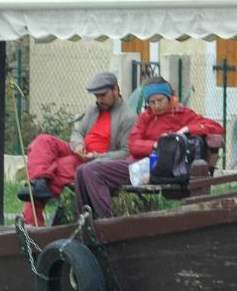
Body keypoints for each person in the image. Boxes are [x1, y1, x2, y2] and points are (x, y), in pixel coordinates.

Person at [74, 77, 223, 219]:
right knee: (83, 171)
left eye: (160, 100)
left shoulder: (183, 114)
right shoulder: (146, 117)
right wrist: (157, 144)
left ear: (170, 98)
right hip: (137, 165)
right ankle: (86, 221)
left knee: (91, 170)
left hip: (161, 168)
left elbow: (216, 127)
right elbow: (133, 144)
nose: (156, 105)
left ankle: (107, 221)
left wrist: (187, 129)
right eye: (152, 102)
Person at [19, 71, 137, 225]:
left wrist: (94, 157)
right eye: (96, 96)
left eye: (103, 95)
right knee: (42, 141)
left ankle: (32, 223)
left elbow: (125, 153)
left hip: (95, 162)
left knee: (56, 170)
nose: (99, 99)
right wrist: (78, 144)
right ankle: (38, 181)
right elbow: (77, 132)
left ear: (115, 89)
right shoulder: (93, 110)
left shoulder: (127, 117)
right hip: (78, 151)